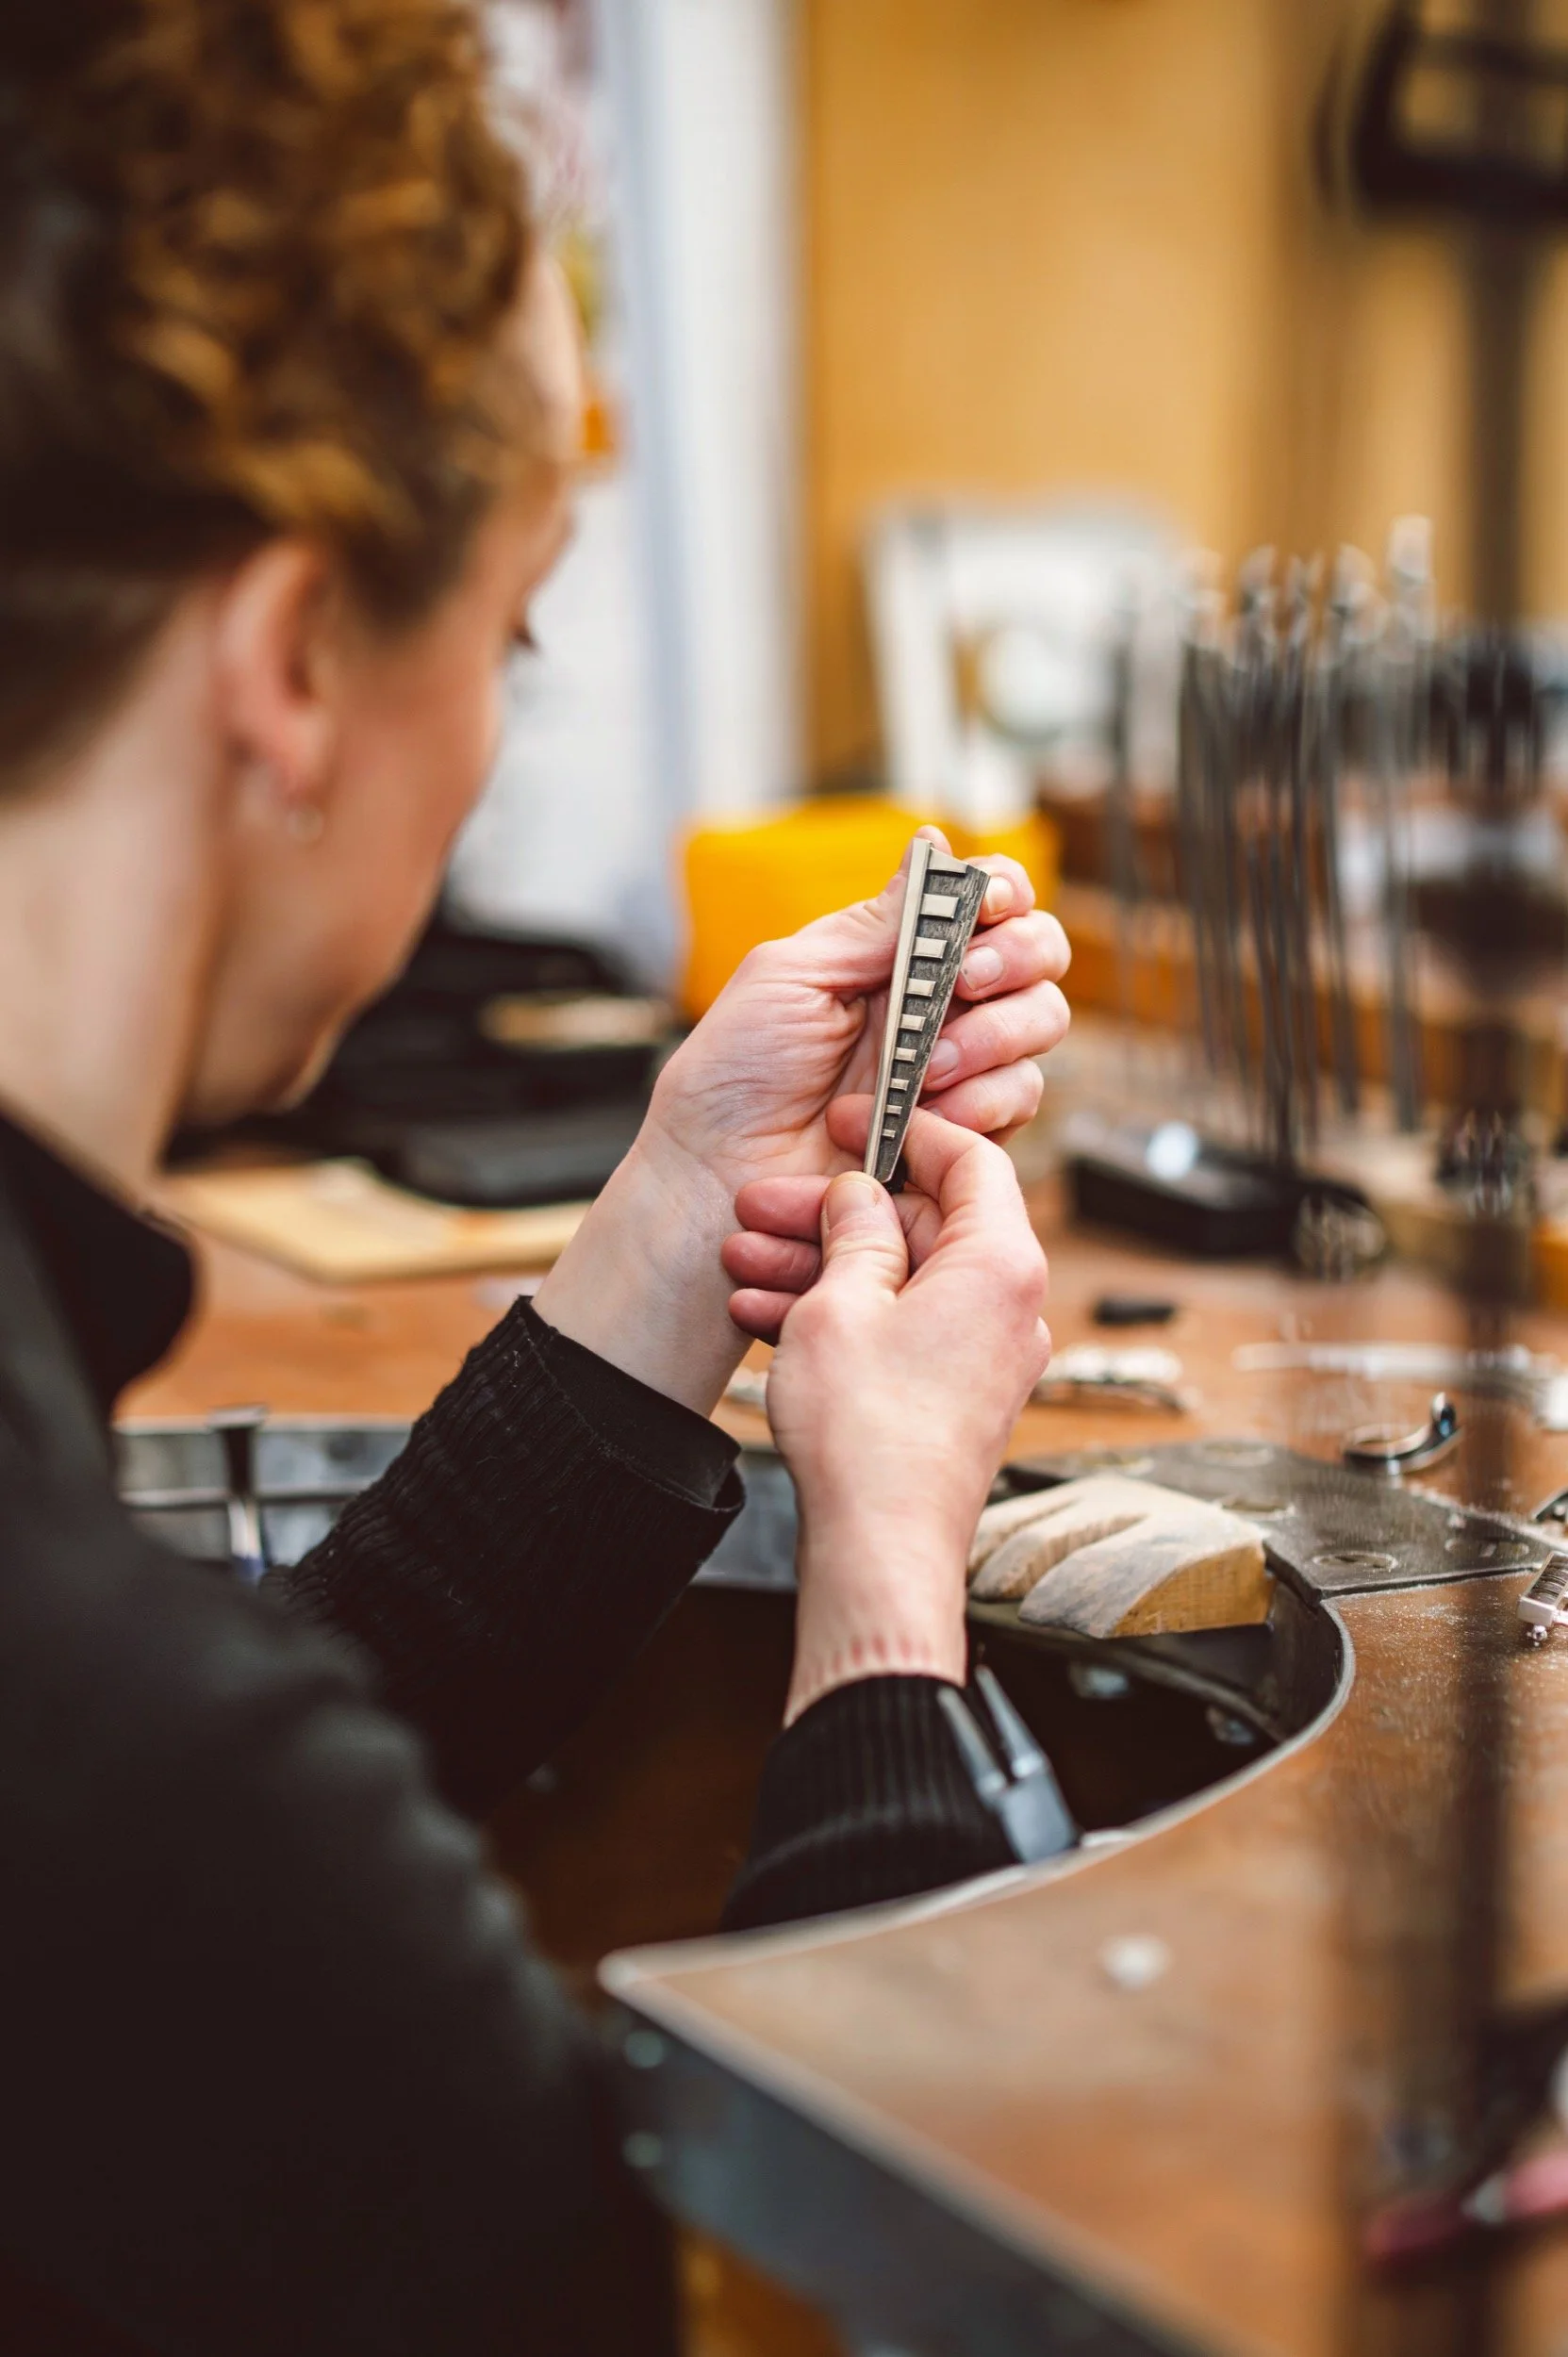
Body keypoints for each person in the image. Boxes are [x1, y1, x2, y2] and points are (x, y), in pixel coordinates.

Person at [0, 3, 1072, 2351]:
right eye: (511, 624)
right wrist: (887, 1573)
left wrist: (675, 1226)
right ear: (292, 659)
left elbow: (217, 1834)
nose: (498, 714)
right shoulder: (139, 1769)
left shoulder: (123, 1745)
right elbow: (778, 2302)